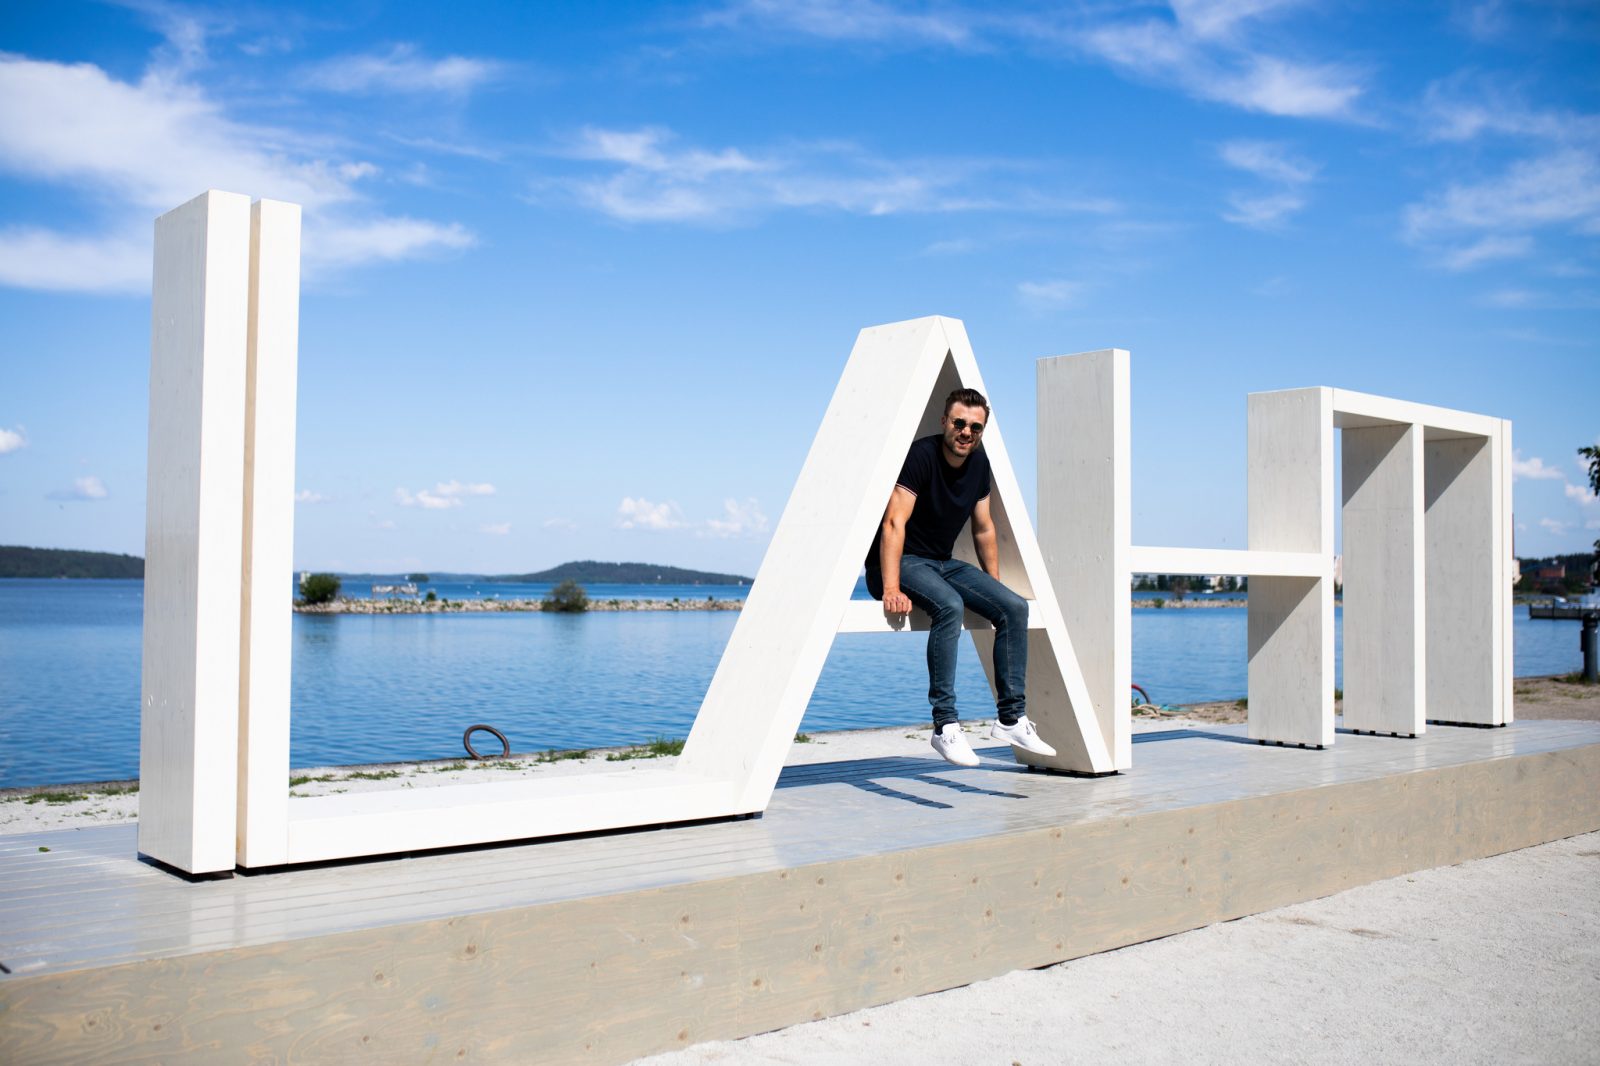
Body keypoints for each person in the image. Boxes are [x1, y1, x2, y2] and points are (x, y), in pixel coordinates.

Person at [865, 387, 1057, 767]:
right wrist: (889, 586)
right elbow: (893, 522)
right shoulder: (921, 455)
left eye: (975, 427)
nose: (966, 432)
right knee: (949, 607)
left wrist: (994, 585)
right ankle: (944, 726)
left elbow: (984, 529)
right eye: (959, 423)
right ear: (945, 422)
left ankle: (1011, 718)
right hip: (901, 561)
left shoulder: (980, 465)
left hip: (940, 562)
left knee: (1014, 607)